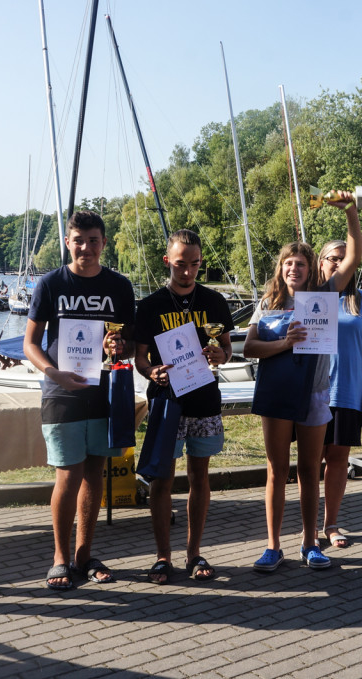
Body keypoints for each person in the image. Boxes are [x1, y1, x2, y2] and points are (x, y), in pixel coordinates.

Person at [243, 190, 362, 572]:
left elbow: (353, 258)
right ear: (280, 268)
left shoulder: (325, 297)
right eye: (288, 264)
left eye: (301, 264)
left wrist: (350, 213)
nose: (294, 269)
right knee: (277, 471)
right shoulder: (267, 304)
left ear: (311, 269)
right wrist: (285, 343)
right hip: (276, 396)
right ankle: (273, 546)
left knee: (309, 470)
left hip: (314, 395)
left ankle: (310, 543)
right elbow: (248, 349)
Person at [23, 211, 135, 591]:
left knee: (94, 476)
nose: (85, 247)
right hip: (61, 393)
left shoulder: (120, 286)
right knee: (67, 476)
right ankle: (60, 558)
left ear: (104, 242)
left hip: (104, 393)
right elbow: (30, 343)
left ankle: (85, 556)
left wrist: (119, 346)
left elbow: (129, 344)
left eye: (93, 240)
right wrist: (52, 373)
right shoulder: (51, 283)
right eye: (78, 240)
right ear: (67, 242)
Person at [134, 229, 234, 584]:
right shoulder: (149, 306)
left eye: (194, 264)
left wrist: (221, 354)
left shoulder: (215, 301)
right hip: (166, 403)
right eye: (180, 264)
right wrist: (152, 371)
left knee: (199, 478)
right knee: (162, 481)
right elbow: (140, 359)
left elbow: (226, 349)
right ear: (167, 261)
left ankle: (194, 553)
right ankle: (163, 556)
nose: (188, 272)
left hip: (204, 400)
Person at [317, 240, 362, 549]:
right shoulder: (311, 298)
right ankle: (306, 528)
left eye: (345, 260)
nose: (339, 265)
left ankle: (330, 524)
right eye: (333, 259)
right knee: (308, 462)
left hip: (348, 392)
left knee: (338, 459)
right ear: (321, 262)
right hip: (314, 394)